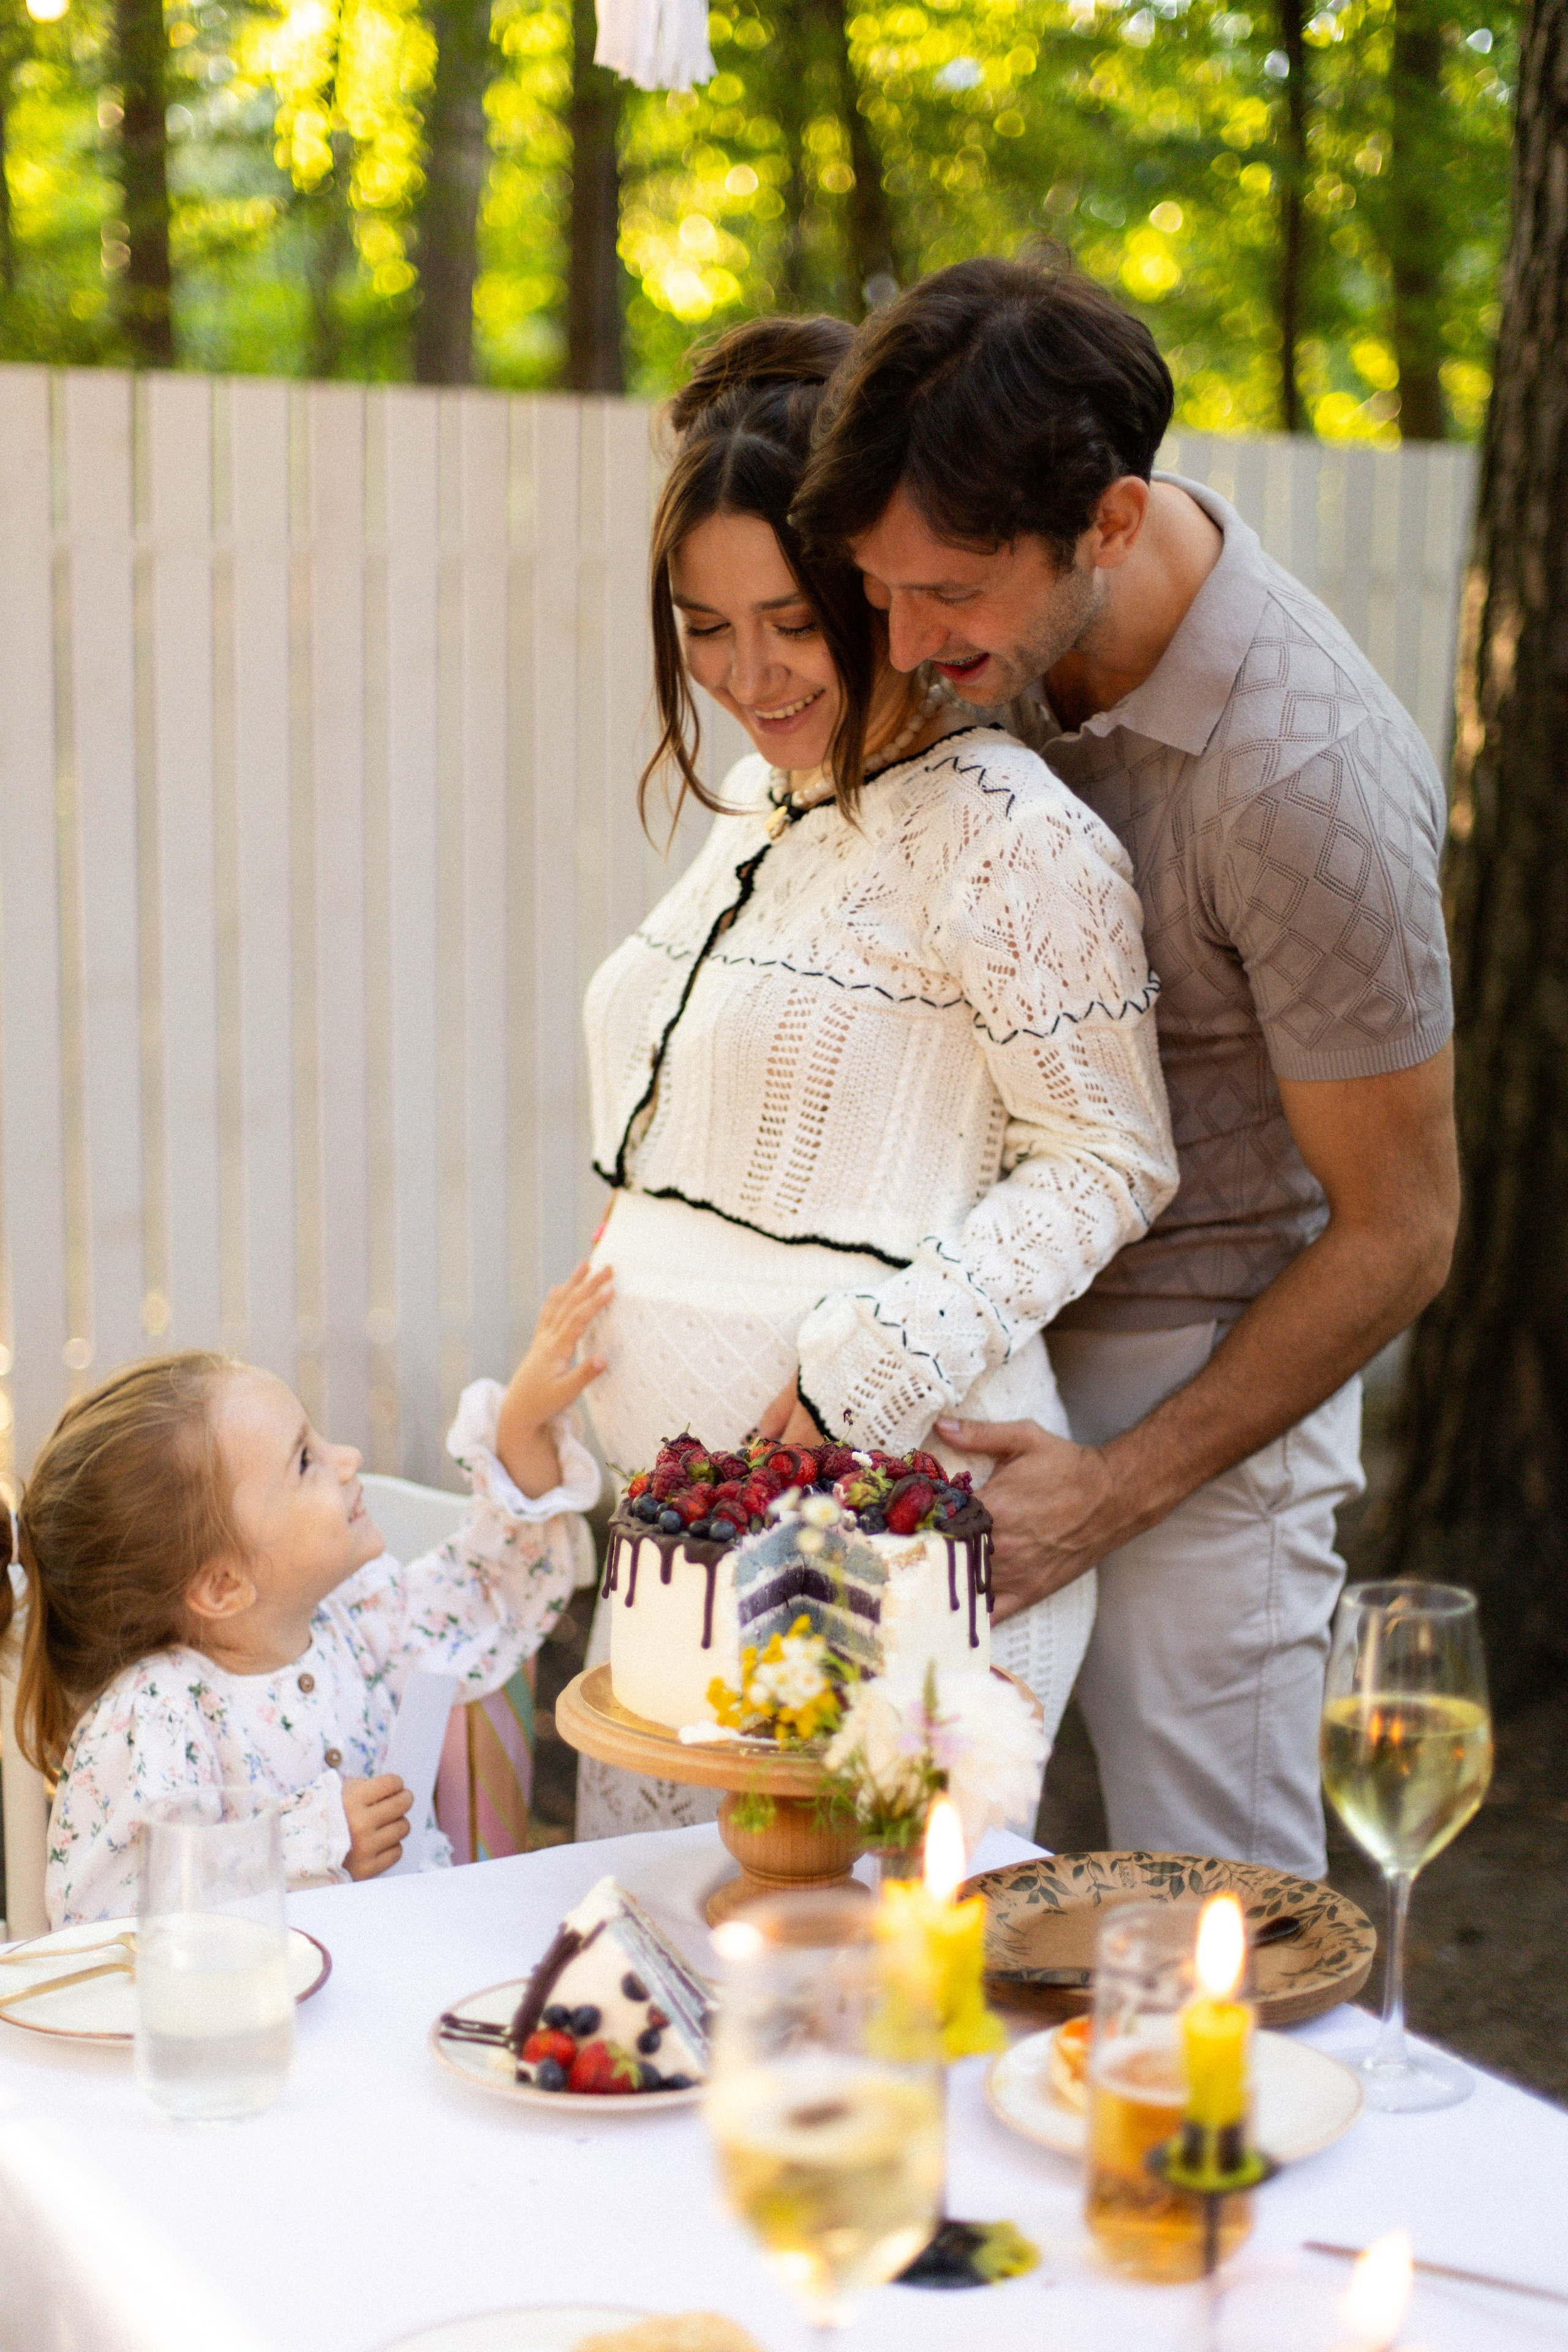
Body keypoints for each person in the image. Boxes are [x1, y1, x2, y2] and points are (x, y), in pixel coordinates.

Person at [793, 254, 1460, 1878]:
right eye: (879, 590)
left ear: (1106, 521)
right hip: (957, 1339)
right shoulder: (973, 630)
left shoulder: (1305, 775)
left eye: (948, 594)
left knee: (1216, 1922)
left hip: (1199, 1386)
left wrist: (1117, 1488)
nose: (903, 635)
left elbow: (1403, 1231)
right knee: (891, 1897)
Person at [576, 315, 1178, 1839]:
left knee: (866, 2038)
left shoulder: (1006, 833)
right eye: (700, 626)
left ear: (864, 585)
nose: (743, 671)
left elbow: (1107, 1157)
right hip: (686, 1569)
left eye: (783, 618)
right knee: (654, 2015)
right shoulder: (759, 808)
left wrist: (863, 1369)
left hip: (888, 1557)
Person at [4, 1264, 612, 1926]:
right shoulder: (154, 1717)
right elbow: (109, 1920)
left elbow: (489, 1586)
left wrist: (519, 1427)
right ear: (222, 1586)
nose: (347, 1457)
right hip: (275, 2024)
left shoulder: (362, 1618)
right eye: (304, 1461)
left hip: (415, 1975)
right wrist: (309, 1842)